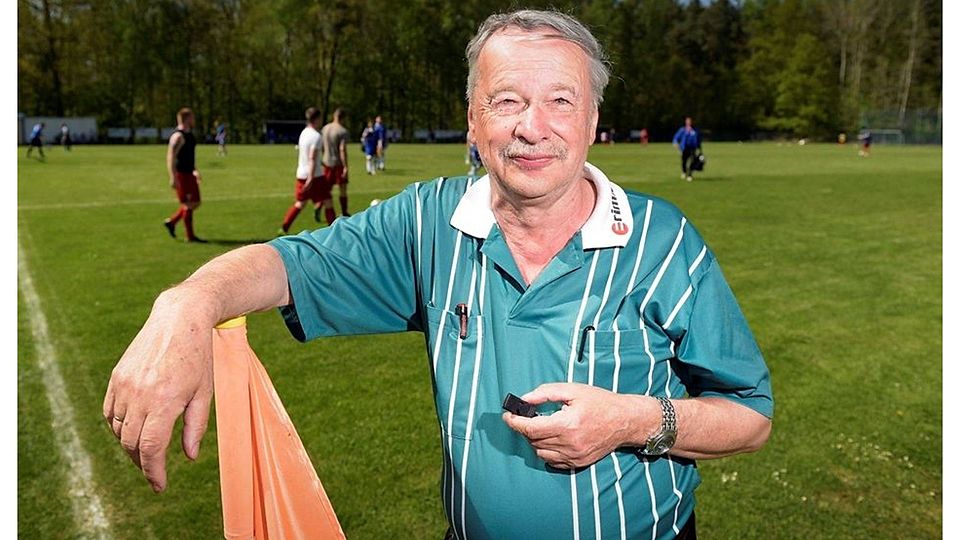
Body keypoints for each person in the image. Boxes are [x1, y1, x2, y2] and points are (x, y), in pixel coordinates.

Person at [104, 10, 772, 540]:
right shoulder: (429, 224)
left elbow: (749, 418)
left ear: (593, 120)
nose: (533, 128)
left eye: (560, 101)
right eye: (507, 100)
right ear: (475, 123)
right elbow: (287, 264)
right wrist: (188, 302)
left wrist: (630, 421)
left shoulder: (665, 241)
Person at [279, 107, 328, 234]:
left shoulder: (304, 133)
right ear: (317, 119)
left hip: (301, 173)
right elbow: (312, 157)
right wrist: (311, 177)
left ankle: (284, 227)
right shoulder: (317, 136)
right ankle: (334, 230)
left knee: (300, 203)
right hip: (315, 175)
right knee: (328, 201)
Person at [163, 108, 205, 242]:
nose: (194, 120)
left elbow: (188, 157)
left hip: (189, 173)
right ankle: (190, 236)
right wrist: (173, 176)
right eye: (192, 117)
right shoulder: (178, 136)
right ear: (187, 118)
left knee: (196, 202)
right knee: (188, 204)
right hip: (181, 175)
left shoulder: (189, 134)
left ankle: (172, 222)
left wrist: (195, 170)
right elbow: (171, 157)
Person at [320, 108, 351, 219]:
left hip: (326, 162)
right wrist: (346, 167)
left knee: (326, 190)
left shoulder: (325, 128)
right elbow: (342, 149)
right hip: (337, 163)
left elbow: (322, 146)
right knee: (342, 189)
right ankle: (344, 212)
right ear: (343, 118)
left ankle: (319, 206)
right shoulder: (342, 131)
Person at [672, 117, 702, 182]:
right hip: (684, 148)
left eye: (690, 121)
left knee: (693, 161)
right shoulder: (682, 130)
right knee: (684, 162)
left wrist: (699, 148)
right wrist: (675, 143)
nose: (689, 123)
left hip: (693, 148)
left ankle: (690, 175)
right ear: (686, 122)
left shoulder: (695, 130)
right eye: (688, 121)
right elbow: (676, 137)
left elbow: (698, 140)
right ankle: (684, 172)